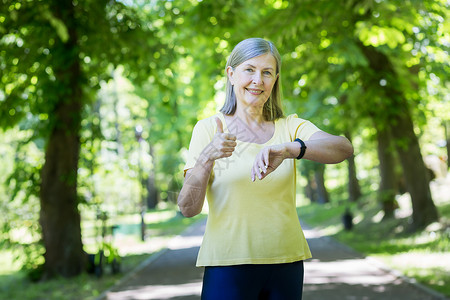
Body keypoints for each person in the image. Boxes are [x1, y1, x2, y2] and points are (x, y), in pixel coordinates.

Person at [177, 38, 353, 300]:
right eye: (249, 69)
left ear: (275, 80)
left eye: (267, 72)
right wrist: (206, 158)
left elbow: (343, 148)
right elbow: (187, 208)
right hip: (227, 264)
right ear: (231, 74)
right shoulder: (209, 129)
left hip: (286, 264)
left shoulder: (289, 127)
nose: (258, 80)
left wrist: (289, 149)